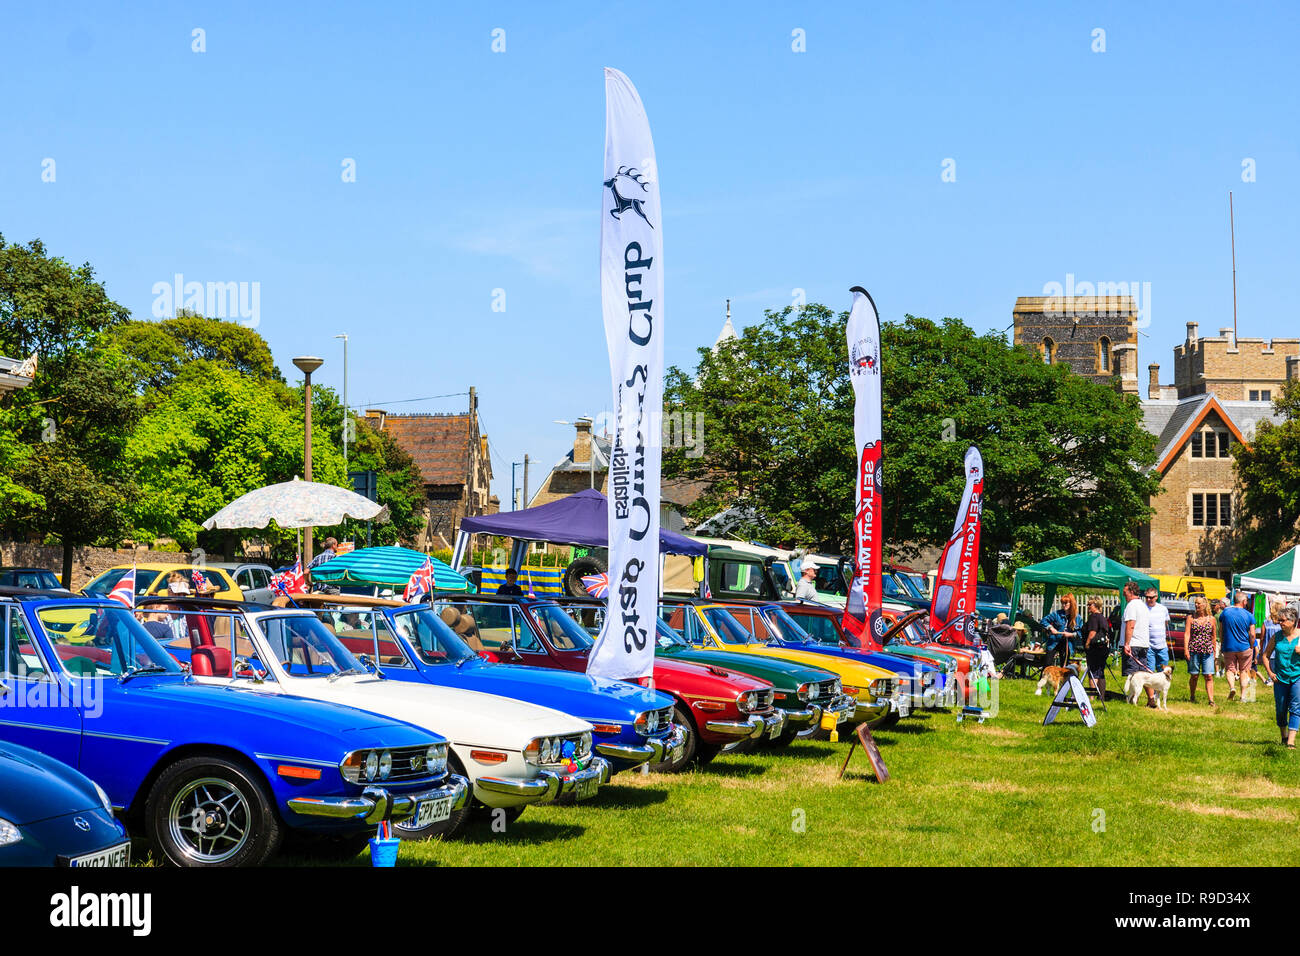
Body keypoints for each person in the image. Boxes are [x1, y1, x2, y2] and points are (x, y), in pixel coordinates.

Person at [1260, 606, 1300, 748]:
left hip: (1297, 678)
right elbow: (1265, 655)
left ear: (1293, 621)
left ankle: (1291, 742)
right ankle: (1284, 736)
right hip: (1280, 678)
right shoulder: (1276, 637)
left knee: (1296, 708)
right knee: (1281, 708)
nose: (1279, 623)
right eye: (1279, 620)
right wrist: (1270, 673)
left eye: (1283, 620)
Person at [1121, 581, 1155, 706]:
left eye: (1125, 593)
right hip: (1143, 644)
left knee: (1134, 675)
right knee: (1144, 675)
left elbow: (1130, 625)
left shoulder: (1131, 606)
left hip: (1133, 644)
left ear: (1131, 592)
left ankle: (1132, 700)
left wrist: (1126, 644)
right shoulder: (1142, 605)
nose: (1124, 595)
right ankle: (1151, 699)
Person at [1219, 591, 1258, 701]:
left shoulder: (1225, 613)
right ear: (1244, 601)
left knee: (1230, 670)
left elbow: (1221, 630)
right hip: (1244, 647)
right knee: (1244, 671)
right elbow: (1253, 634)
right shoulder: (1249, 615)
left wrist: (1222, 643)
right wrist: (1251, 646)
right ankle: (1243, 696)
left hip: (1229, 647)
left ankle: (1232, 688)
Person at [1185, 595, 1218, 706]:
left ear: (1205, 605)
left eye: (1199, 603)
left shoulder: (1212, 619)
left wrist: (1214, 651)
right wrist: (1186, 650)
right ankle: (1192, 696)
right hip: (1194, 650)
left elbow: (1213, 636)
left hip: (1207, 650)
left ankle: (1211, 700)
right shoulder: (1191, 618)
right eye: (1195, 603)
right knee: (1194, 675)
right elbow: (1187, 634)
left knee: (1208, 675)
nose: (1196, 605)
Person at [1082, 597, 1110, 700]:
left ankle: (1092, 697)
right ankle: (1101, 696)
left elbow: (1092, 632)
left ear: (1096, 605)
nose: (1088, 606)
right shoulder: (1102, 617)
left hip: (1095, 648)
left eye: (1090, 605)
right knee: (1100, 672)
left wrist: (1087, 643)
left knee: (1093, 672)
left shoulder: (1093, 617)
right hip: (1103, 648)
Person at [1041, 593, 1080, 667]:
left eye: (1065, 603)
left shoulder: (1077, 617)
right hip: (1054, 640)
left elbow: (1081, 632)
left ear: (1071, 603)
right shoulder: (1056, 614)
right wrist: (1051, 628)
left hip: (1067, 642)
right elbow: (1043, 621)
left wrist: (1071, 634)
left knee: (1064, 665)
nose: (1063, 605)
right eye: (1062, 603)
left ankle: (1062, 678)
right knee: (1047, 664)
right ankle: (1044, 678)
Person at [1144, 587, 1171, 673]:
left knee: (1163, 673)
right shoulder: (1143, 608)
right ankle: (1151, 686)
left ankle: (1159, 687)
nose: (1148, 599)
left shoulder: (1163, 609)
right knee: (1149, 673)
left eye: (1151, 597)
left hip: (1162, 646)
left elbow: (1165, 623)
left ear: (1156, 597)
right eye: (1147, 597)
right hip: (1148, 646)